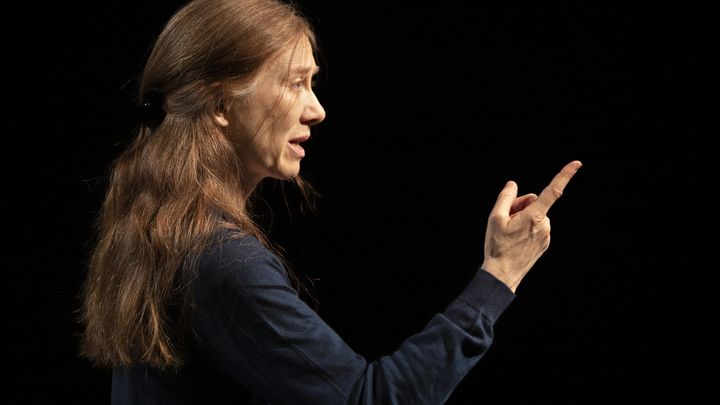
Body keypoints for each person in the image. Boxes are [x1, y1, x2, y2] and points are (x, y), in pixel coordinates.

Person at [79, 0, 582, 403]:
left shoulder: (162, 223)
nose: (317, 109)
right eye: (295, 83)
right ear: (220, 104)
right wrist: (499, 275)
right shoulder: (220, 261)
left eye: (312, 83)